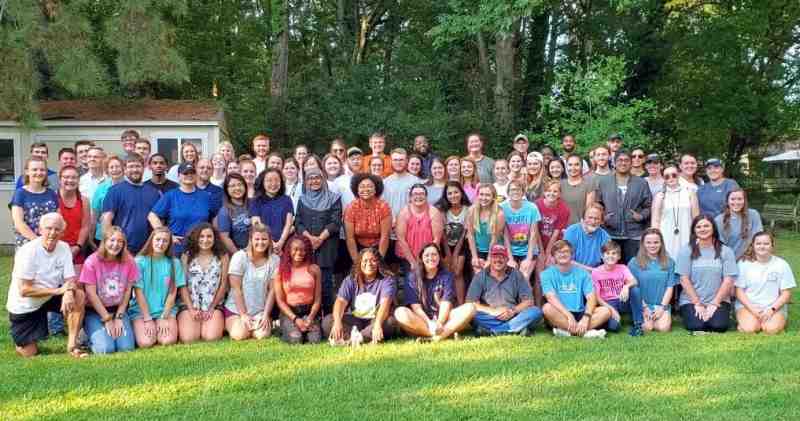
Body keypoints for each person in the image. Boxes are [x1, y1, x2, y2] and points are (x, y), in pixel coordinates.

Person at [7, 213, 86, 358]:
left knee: (78, 295)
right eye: (48, 228)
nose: (52, 233)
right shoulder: (28, 251)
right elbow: (24, 290)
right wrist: (59, 291)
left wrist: (68, 292)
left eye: (57, 229)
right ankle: (22, 340)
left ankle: (72, 345)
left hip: (48, 297)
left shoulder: (64, 248)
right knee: (29, 353)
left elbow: (70, 279)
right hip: (25, 306)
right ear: (39, 230)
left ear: (62, 232)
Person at [395, 243, 476, 340]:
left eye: (434, 254)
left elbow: (446, 303)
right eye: (427, 255)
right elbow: (416, 307)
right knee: (400, 312)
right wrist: (430, 323)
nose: (431, 258)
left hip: (444, 319)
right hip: (422, 320)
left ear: (439, 257)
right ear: (421, 258)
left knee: (471, 308)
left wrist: (439, 323)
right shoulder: (412, 277)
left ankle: (435, 337)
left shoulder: (447, 276)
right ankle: (441, 334)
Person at [80, 227, 138, 354]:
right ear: (104, 241)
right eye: (112, 240)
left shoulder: (129, 261)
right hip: (95, 311)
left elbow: (128, 291)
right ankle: (85, 336)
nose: (115, 244)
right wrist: (107, 319)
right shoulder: (91, 261)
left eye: (120, 241)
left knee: (126, 348)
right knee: (106, 349)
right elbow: (91, 293)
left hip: (118, 310)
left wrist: (119, 317)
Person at [676, 215, 738, 333]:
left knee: (719, 326)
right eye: (698, 227)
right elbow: (684, 279)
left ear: (713, 228)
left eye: (706, 226)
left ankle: (719, 315)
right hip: (691, 300)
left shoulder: (726, 251)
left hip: (718, 300)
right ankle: (691, 313)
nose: (702, 229)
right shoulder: (686, 251)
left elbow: (728, 280)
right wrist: (697, 303)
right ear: (694, 230)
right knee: (696, 326)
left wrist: (715, 303)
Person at [323, 247, 397, 344]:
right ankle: (363, 338)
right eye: (365, 261)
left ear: (379, 263)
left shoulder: (387, 280)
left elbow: (385, 304)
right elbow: (340, 301)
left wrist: (378, 324)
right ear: (359, 263)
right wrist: (337, 322)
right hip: (355, 321)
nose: (369, 264)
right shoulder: (350, 280)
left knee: (390, 322)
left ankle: (351, 339)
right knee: (328, 321)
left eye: (373, 260)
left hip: (375, 319)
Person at [466, 245, 542, 336]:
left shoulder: (517, 274)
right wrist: (492, 311)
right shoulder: (480, 276)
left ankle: (494, 331)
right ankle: (514, 328)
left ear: (507, 259)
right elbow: (470, 303)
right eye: (495, 257)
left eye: (502, 257)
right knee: (472, 315)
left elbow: (528, 301)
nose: (498, 260)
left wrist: (512, 311)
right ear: (490, 259)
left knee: (535, 311)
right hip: (489, 316)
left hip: (512, 315)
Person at [541, 240, 611, 338]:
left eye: (566, 251)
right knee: (547, 308)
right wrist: (568, 315)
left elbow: (591, 297)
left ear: (571, 254)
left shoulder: (583, 273)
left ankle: (568, 331)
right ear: (554, 256)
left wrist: (586, 317)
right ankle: (585, 333)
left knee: (606, 311)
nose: (563, 254)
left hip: (580, 312)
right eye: (559, 252)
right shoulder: (546, 274)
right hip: (560, 312)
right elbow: (550, 297)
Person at [295, 168, 342, 314]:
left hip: (327, 246)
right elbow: (298, 221)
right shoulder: (302, 199)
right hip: (306, 247)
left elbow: (335, 222)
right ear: (306, 181)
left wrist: (320, 238)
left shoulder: (334, 198)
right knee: (307, 281)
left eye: (317, 178)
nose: (314, 181)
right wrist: (309, 238)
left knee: (326, 283)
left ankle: (328, 316)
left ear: (323, 179)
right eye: (310, 178)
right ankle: (310, 316)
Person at [128, 227, 183, 348]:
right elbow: (138, 292)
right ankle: (139, 326)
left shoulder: (175, 263)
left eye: (165, 241)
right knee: (146, 342)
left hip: (165, 310)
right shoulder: (139, 262)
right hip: (141, 311)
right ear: (151, 240)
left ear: (169, 244)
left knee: (167, 340)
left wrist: (164, 317)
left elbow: (172, 293)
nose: (161, 243)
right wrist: (147, 319)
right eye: (158, 239)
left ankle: (158, 324)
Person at [594, 150, 652, 263]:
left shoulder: (641, 183)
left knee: (632, 268)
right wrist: (603, 218)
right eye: (620, 160)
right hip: (610, 234)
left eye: (626, 160)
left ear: (631, 163)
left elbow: (649, 206)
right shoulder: (604, 182)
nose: (623, 163)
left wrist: (641, 216)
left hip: (634, 235)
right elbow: (598, 204)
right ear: (614, 163)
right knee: (611, 269)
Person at [225, 224, 280, 340]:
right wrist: (244, 315)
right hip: (236, 310)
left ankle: (265, 322)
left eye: (264, 239)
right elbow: (236, 289)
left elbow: (272, 291)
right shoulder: (239, 257)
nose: (260, 242)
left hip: (260, 310)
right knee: (239, 335)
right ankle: (236, 324)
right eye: (257, 239)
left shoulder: (274, 260)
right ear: (250, 240)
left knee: (261, 335)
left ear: (270, 240)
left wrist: (265, 315)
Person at [735, 232, 795, 334]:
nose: (762, 246)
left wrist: (772, 310)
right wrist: (753, 310)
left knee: (771, 330)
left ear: (772, 245)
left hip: (773, 306)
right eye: (758, 244)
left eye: (766, 244)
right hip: (748, 306)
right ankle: (749, 322)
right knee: (750, 329)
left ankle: (777, 320)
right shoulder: (743, 264)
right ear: (753, 245)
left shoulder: (782, 264)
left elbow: (786, 293)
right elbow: (738, 291)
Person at [177, 223, 228, 343]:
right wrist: (191, 309)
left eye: (209, 236)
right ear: (196, 238)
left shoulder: (222, 256)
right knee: (189, 338)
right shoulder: (187, 256)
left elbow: (223, 284)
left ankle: (214, 321)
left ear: (215, 238)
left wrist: (211, 308)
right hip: (190, 304)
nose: (205, 240)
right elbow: (182, 284)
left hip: (213, 305)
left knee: (211, 337)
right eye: (201, 236)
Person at [102, 154, 162, 254]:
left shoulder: (154, 192)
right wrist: (110, 246)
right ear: (124, 169)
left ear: (143, 168)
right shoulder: (114, 191)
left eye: (138, 166)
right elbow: (106, 220)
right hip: (122, 249)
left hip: (148, 249)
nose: (134, 170)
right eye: (131, 167)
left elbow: (158, 220)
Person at [149, 162, 213, 256]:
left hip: (200, 247)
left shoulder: (205, 196)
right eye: (185, 173)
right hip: (177, 248)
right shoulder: (171, 195)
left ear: (196, 175)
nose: (189, 176)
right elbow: (152, 216)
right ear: (179, 176)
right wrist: (167, 235)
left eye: (192, 173)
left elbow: (213, 219)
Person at [273, 235, 323, 344]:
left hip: (309, 312)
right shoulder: (280, 271)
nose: (300, 253)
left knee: (314, 340)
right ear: (289, 250)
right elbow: (280, 301)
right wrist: (295, 319)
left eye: (304, 250)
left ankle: (304, 329)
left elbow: (317, 299)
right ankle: (284, 328)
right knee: (296, 339)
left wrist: (310, 317)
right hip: (290, 313)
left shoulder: (314, 269)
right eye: (295, 249)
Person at [628, 228, 678, 333]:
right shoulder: (634, 262)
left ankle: (661, 316)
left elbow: (670, 287)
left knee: (663, 328)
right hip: (642, 304)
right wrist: (645, 307)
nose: (652, 245)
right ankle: (642, 317)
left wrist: (662, 308)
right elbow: (633, 288)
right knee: (647, 328)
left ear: (661, 243)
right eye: (648, 242)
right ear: (643, 244)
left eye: (656, 242)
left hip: (661, 304)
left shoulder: (669, 262)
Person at [590, 241, 644, 336]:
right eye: (607, 253)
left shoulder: (622, 268)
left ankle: (638, 324)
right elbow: (597, 297)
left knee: (635, 289)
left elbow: (634, 281)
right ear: (602, 256)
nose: (610, 256)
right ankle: (604, 323)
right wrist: (612, 310)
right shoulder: (596, 272)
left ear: (619, 256)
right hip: (607, 302)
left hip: (622, 299)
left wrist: (626, 286)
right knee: (614, 327)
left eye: (614, 253)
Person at [500, 181, 541, 294]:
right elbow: (505, 235)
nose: (515, 192)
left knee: (524, 277)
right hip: (510, 250)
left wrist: (528, 258)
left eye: (518, 189)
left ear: (523, 192)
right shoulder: (502, 208)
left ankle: (528, 307)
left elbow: (533, 233)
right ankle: (512, 307)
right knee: (509, 279)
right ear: (508, 192)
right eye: (512, 189)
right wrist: (510, 258)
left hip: (528, 249)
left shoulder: (532, 208)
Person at [651, 164, 699, 259]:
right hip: (666, 235)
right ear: (663, 179)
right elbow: (655, 222)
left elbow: (696, 218)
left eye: (674, 175)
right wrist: (655, 240)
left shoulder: (690, 193)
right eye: (667, 176)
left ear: (679, 175)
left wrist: (697, 236)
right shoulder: (660, 196)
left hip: (686, 233)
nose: (671, 178)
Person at [395, 184, 444, 276]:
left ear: (426, 196)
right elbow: (401, 239)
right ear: (410, 197)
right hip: (408, 257)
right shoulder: (403, 213)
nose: (418, 196)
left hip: (429, 256)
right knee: (411, 283)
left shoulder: (434, 212)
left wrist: (427, 259)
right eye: (415, 194)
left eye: (421, 194)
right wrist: (412, 262)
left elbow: (436, 240)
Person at [11, 157, 59, 248]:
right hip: (27, 245)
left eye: (42, 170)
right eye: (34, 169)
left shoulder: (52, 193)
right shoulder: (20, 193)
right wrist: (39, 242)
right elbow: (18, 223)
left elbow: (57, 220)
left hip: (49, 244)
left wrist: (50, 241)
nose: (39, 173)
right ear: (27, 171)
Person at [435, 181, 471, 304]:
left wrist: (455, 254)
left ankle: (461, 303)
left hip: (461, 245)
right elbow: (443, 234)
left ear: (461, 193)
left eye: (456, 192)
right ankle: (447, 302)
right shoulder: (442, 210)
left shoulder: (468, 209)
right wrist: (448, 254)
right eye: (449, 193)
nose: (453, 195)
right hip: (445, 245)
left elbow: (464, 233)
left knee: (457, 272)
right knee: (447, 271)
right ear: (446, 195)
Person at [344, 173, 392, 260]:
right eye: (362, 186)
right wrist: (356, 262)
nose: (366, 189)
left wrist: (379, 261)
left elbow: (385, 237)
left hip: (380, 248)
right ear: (357, 190)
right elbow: (350, 238)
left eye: (369, 186)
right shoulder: (351, 207)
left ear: (375, 190)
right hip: (358, 248)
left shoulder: (383, 206)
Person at [249, 168, 294, 254]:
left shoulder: (287, 200)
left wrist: (280, 243)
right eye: (269, 180)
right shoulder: (256, 201)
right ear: (263, 182)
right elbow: (256, 224)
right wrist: (271, 243)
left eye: (277, 180)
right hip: (262, 244)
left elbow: (288, 224)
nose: (273, 184)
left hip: (284, 245)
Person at [56, 166, 91, 272]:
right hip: (55, 248)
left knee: (76, 285)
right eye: (66, 177)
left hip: (76, 249)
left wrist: (77, 247)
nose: (70, 180)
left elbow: (85, 226)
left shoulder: (84, 201)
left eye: (74, 177)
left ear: (78, 180)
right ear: (60, 179)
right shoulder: (53, 198)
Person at [715, 189, 763, 259]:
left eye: (739, 199)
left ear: (744, 201)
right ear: (727, 201)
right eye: (732, 199)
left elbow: (759, 238)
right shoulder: (719, 220)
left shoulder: (753, 214)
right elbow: (719, 246)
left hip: (750, 257)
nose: (736, 202)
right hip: (729, 259)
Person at [535, 180, 571, 273]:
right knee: (539, 271)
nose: (551, 193)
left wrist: (548, 253)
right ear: (544, 192)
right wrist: (542, 252)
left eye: (555, 191)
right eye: (548, 191)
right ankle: (537, 287)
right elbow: (536, 231)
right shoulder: (536, 205)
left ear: (559, 194)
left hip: (554, 244)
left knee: (550, 267)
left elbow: (556, 233)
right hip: (538, 242)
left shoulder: (564, 209)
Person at [563, 203, 611, 269]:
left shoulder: (605, 237)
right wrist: (591, 270)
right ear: (583, 218)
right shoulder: (571, 231)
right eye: (590, 217)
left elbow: (608, 262)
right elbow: (565, 260)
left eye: (596, 218)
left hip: (595, 273)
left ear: (601, 221)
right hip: (572, 271)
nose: (593, 221)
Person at [91, 155, 125, 244]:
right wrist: (90, 239)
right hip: (102, 236)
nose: (114, 169)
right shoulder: (101, 188)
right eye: (111, 167)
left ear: (123, 168)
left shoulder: (129, 187)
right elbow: (95, 215)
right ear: (107, 170)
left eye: (117, 166)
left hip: (123, 235)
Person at [383, 148, 422, 224]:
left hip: (410, 225)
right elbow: (383, 206)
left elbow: (420, 205)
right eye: (395, 160)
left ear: (406, 161)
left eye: (401, 160)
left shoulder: (415, 181)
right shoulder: (385, 182)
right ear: (391, 161)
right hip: (390, 225)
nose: (398, 162)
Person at [216, 173, 252, 253]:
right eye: (232, 186)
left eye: (240, 184)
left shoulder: (253, 203)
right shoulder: (224, 211)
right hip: (239, 253)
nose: (237, 188)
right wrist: (239, 255)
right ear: (226, 189)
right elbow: (225, 237)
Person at [561, 154, 595, 225]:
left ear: (581, 166)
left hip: (581, 227)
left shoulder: (589, 185)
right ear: (566, 167)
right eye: (570, 165)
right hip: (562, 228)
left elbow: (589, 210)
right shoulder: (561, 184)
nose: (573, 168)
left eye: (576, 164)